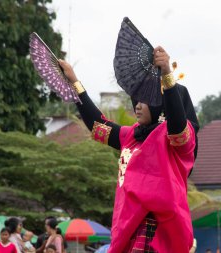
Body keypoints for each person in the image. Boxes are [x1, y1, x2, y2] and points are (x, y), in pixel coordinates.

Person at [58, 44, 199, 252]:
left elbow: (177, 123)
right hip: (127, 229)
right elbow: (98, 126)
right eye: (137, 100)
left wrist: (167, 74)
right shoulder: (131, 135)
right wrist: (74, 81)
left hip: (158, 232)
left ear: (161, 104)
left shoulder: (177, 140)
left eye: (146, 100)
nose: (138, 106)